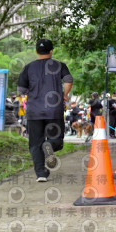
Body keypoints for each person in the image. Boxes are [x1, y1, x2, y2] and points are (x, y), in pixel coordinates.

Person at [17, 39, 73, 182]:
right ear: (51, 51)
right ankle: (50, 145)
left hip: (34, 112)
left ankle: (41, 174)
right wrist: (64, 95)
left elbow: (21, 91)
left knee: (35, 143)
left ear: (36, 51)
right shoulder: (60, 65)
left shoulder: (28, 68)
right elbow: (68, 80)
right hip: (54, 110)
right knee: (57, 139)